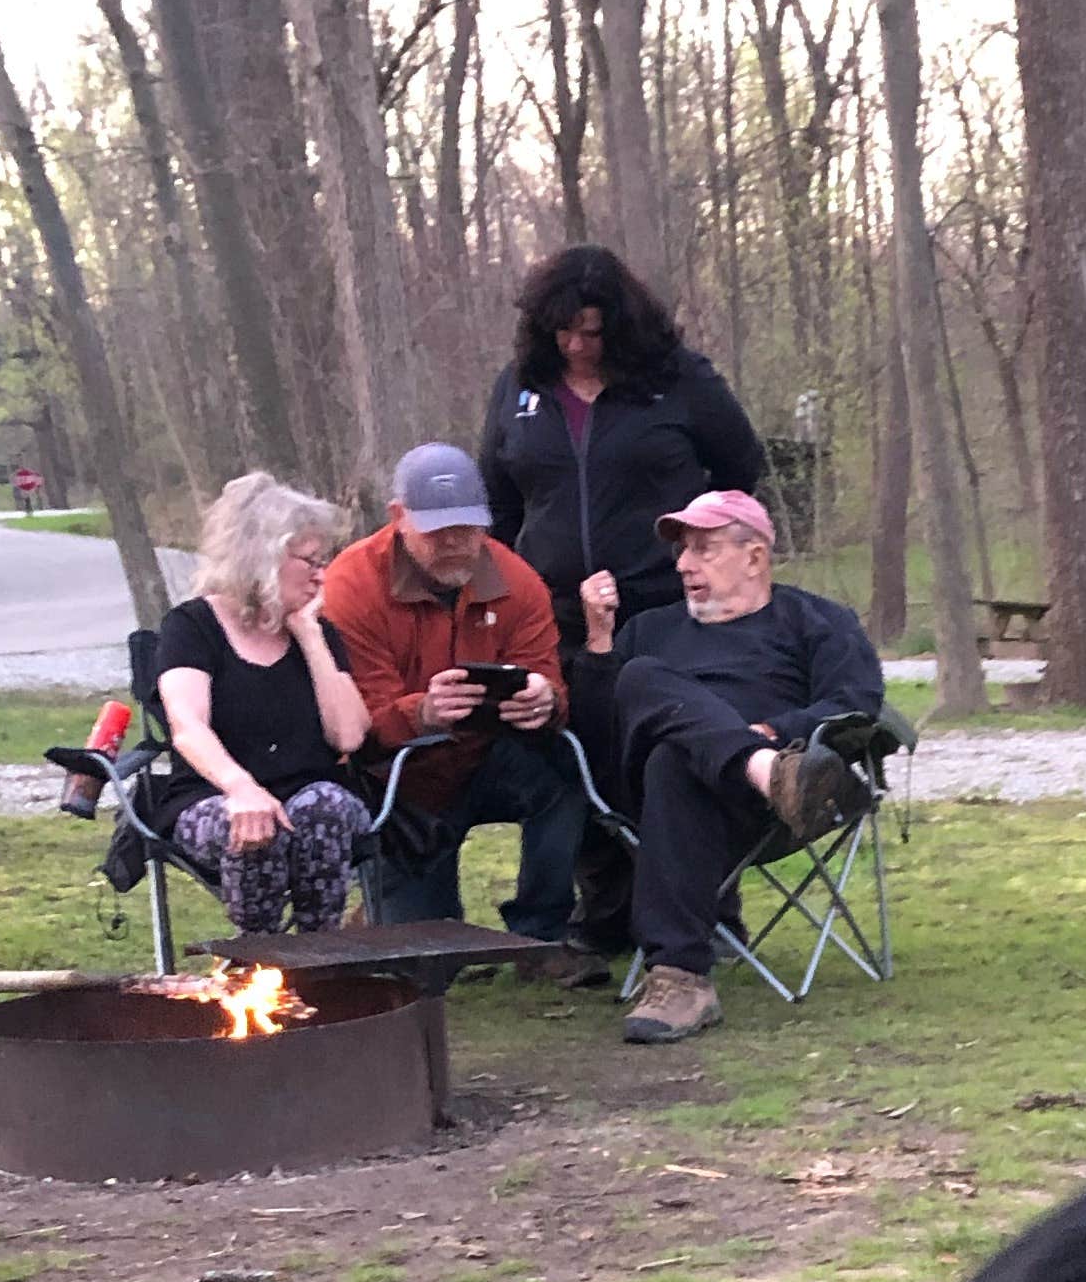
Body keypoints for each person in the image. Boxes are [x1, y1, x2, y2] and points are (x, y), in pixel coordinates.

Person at [572, 490, 886, 1047]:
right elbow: (598, 731)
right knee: (646, 690)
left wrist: (776, 731)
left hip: (784, 808)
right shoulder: (649, 630)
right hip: (669, 798)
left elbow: (856, 703)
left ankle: (680, 977)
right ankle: (762, 768)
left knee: (677, 757)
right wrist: (598, 641)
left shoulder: (816, 621)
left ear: (755, 557)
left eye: (704, 549)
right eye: (683, 552)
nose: (684, 565)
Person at [317, 443, 592, 948]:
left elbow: (548, 678)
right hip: (395, 783)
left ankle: (542, 934)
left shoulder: (518, 582)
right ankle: (384, 908)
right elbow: (358, 728)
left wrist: (543, 700)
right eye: (437, 530)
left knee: (564, 768)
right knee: (432, 957)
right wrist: (422, 712)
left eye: (467, 528)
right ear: (399, 518)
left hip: (486, 759)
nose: (455, 543)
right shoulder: (350, 586)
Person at [476, 244, 769, 645]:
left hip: (665, 610)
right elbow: (499, 501)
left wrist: (695, 547)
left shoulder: (680, 378)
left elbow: (740, 467)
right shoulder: (519, 385)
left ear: (620, 328)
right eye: (563, 330)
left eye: (590, 333)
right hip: (553, 615)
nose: (575, 345)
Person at [152, 469, 369, 935]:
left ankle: (320, 957)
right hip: (215, 797)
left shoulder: (319, 631)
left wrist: (310, 638)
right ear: (261, 560)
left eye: (322, 560)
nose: (321, 575)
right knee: (251, 824)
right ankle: (261, 964)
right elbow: (188, 726)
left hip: (315, 796)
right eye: (309, 561)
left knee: (324, 806)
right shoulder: (192, 627)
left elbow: (349, 734)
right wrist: (240, 787)